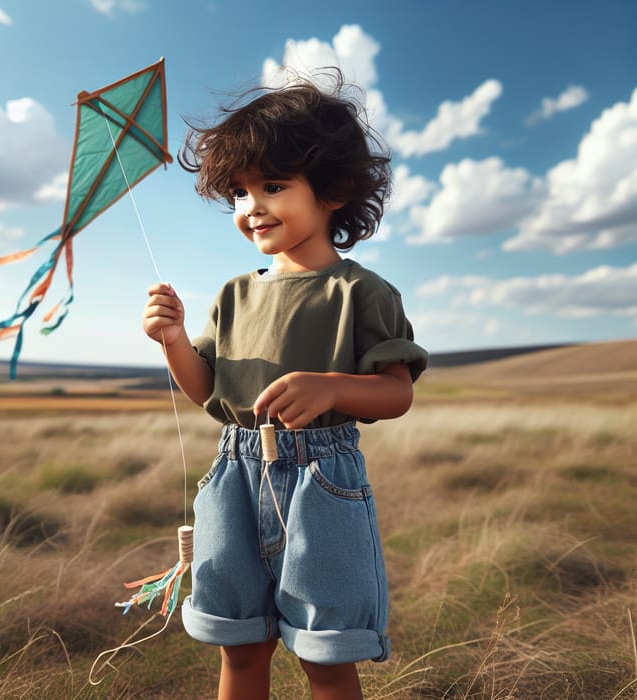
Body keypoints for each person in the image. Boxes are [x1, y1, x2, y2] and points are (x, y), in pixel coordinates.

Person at [142, 70, 428, 700]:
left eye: (273, 185)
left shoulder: (362, 291)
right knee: (240, 646)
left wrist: (332, 387)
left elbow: (396, 392)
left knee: (327, 655)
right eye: (239, 193)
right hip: (233, 476)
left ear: (331, 190)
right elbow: (208, 392)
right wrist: (174, 342)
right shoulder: (233, 294)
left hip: (322, 481)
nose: (253, 207)